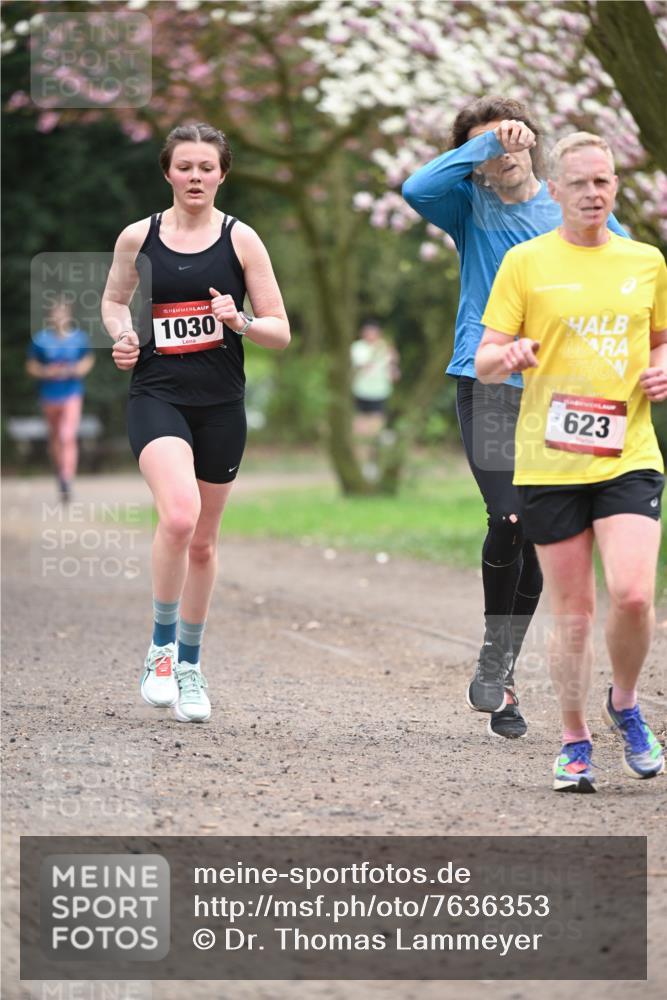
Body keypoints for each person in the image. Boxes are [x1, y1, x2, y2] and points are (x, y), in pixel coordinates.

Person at [402, 97, 627, 739]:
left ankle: (497, 664)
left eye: (512, 142)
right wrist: (483, 145)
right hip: (489, 381)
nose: (502, 155)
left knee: (539, 528)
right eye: (488, 149)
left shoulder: (564, 211)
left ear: (535, 147)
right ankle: (498, 661)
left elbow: (630, 268)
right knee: (510, 515)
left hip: (561, 391)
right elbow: (416, 185)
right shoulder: (467, 205)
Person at [475, 132, 666, 792]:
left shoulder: (645, 262)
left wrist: (662, 367)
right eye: (580, 182)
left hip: (627, 454)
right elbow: (484, 357)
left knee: (636, 594)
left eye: (603, 181)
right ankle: (574, 737)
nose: (593, 192)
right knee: (575, 612)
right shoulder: (525, 264)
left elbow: (661, 340)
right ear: (553, 191)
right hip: (550, 461)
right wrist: (512, 357)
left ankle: (624, 702)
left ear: (615, 187)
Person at [101, 122, 290, 724]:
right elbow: (112, 302)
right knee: (178, 516)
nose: (196, 177)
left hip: (220, 406)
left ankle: (189, 665)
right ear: (168, 172)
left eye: (206, 168)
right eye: (185, 167)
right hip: (157, 395)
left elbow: (280, 331)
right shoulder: (139, 236)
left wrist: (238, 322)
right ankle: (159, 650)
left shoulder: (242, 241)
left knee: (204, 543)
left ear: (222, 174)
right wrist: (124, 335)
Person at [26, 298, 95, 502]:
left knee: (67, 435)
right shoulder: (40, 340)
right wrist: (46, 371)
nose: (59, 317)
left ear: (69, 315)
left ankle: (66, 479)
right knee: (56, 437)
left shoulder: (80, 338)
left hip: (72, 393)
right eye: (56, 313)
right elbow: (31, 366)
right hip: (49, 395)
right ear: (50, 316)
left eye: (63, 313)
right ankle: (60, 472)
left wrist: (78, 369)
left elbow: (88, 359)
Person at [351, 320, 400, 474]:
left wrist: (393, 361)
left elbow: (393, 372)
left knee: (375, 430)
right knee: (361, 430)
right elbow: (362, 366)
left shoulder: (385, 347)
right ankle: (362, 464)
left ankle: (373, 463)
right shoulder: (358, 347)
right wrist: (378, 353)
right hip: (362, 392)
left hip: (380, 392)